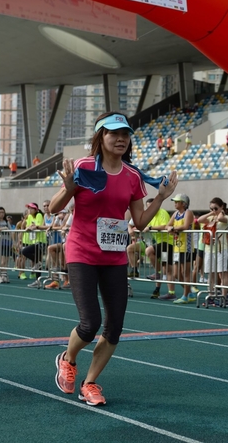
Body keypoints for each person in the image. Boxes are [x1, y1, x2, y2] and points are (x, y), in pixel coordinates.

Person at [50, 111, 177, 406]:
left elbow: (140, 221)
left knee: (115, 327)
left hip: (114, 256)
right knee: (89, 323)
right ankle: (68, 359)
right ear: (101, 136)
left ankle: (90, 383)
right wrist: (69, 188)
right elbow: (54, 208)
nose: (121, 139)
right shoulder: (83, 167)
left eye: (125, 134)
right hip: (82, 252)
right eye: (113, 133)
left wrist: (161, 197)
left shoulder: (133, 176)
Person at [198, 197, 228, 306]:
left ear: (221, 207)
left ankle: (224, 296)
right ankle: (211, 295)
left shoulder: (227, 217)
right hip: (209, 249)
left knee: (222, 273)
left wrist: (220, 212)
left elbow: (221, 218)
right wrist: (211, 213)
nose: (213, 210)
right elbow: (199, 220)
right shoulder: (210, 217)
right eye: (211, 208)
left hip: (221, 249)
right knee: (211, 274)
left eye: (215, 208)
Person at [164, 193, 195, 304]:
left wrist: (172, 228)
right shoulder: (175, 213)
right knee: (176, 274)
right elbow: (167, 225)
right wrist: (170, 228)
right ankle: (189, 292)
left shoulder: (188, 213)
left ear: (183, 203)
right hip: (177, 247)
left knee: (185, 273)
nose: (175, 203)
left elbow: (185, 226)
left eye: (177, 202)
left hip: (186, 247)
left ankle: (185, 296)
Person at [143, 199, 174, 299]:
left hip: (167, 242)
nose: (150, 208)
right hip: (160, 243)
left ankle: (158, 273)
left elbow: (165, 226)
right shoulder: (150, 216)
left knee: (149, 251)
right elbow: (144, 225)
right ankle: (169, 292)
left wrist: (150, 228)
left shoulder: (162, 212)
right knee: (166, 268)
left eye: (151, 206)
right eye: (148, 207)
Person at [21, 202, 46, 288]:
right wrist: (29, 226)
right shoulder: (29, 216)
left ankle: (38, 264)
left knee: (25, 251)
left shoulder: (39, 215)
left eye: (31, 208)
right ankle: (37, 281)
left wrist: (31, 227)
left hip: (41, 241)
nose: (29, 210)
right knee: (37, 260)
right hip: (34, 241)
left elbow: (36, 226)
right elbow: (27, 226)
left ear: (36, 209)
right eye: (29, 208)